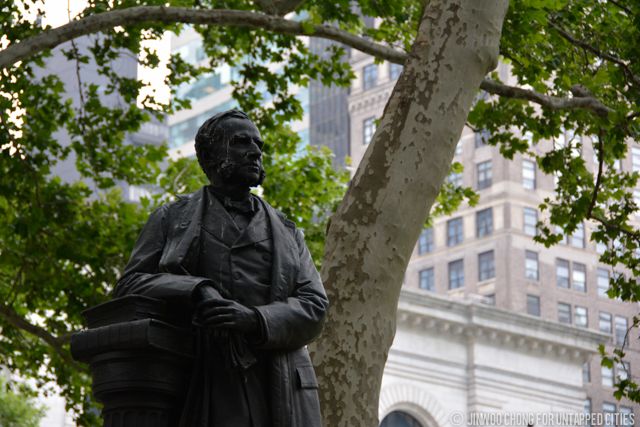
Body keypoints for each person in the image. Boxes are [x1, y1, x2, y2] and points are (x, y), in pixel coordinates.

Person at [113, 109, 328, 427]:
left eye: (258, 144)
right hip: (204, 377)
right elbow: (129, 284)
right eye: (242, 142)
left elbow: (315, 306)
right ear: (211, 154)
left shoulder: (287, 230)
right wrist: (195, 288)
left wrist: (254, 319)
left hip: (277, 384)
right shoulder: (172, 218)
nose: (256, 152)